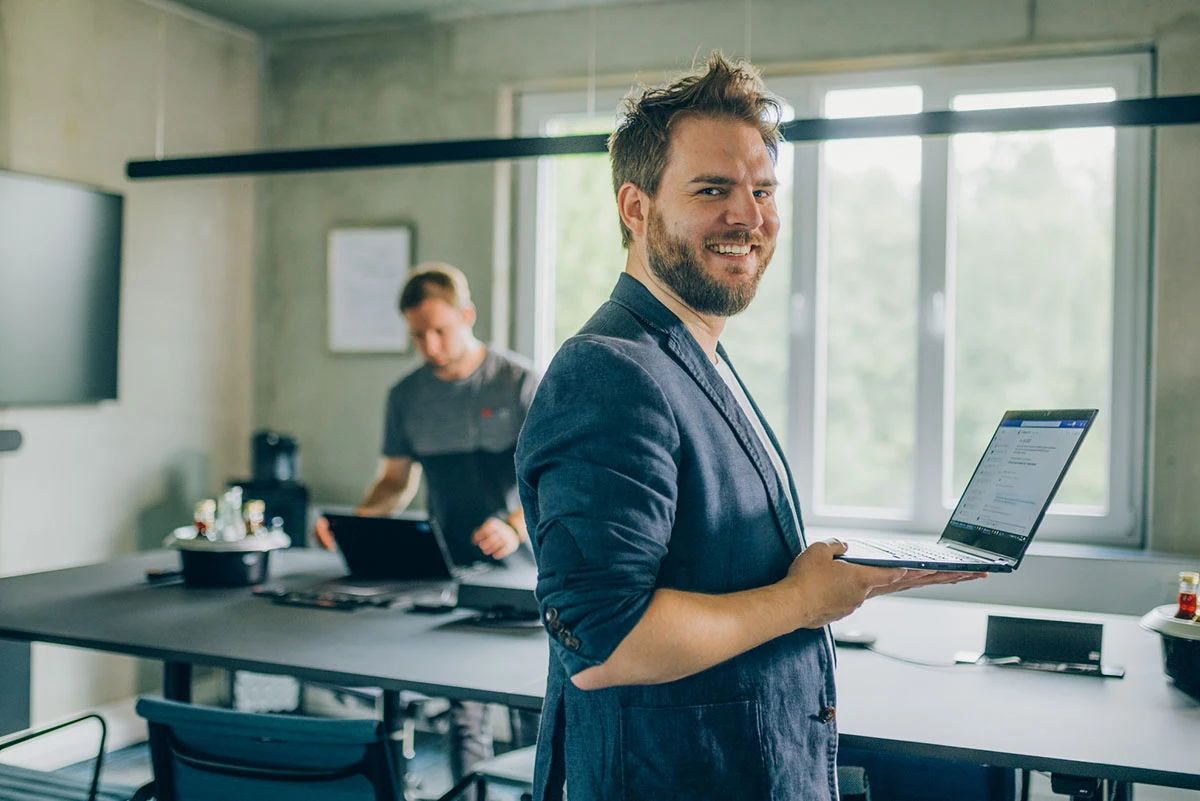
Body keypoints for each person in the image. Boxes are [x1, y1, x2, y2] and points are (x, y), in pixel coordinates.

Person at [515, 53, 984, 801]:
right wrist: (802, 601)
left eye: (762, 190)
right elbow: (605, 643)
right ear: (635, 209)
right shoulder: (607, 371)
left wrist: (836, 578)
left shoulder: (696, 355)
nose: (749, 216)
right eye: (713, 189)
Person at [316, 262, 539, 789]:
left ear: (467, 315)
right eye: (418, 335)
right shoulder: (407, 396)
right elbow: (395, 482)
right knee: (465, 708)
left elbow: (553, 478)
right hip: (450, 572)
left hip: (522, 573)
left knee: (532, 712)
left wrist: (513, 525)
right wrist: (356, 523)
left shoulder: (520, 383)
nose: (430, 345)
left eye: (440, 330)